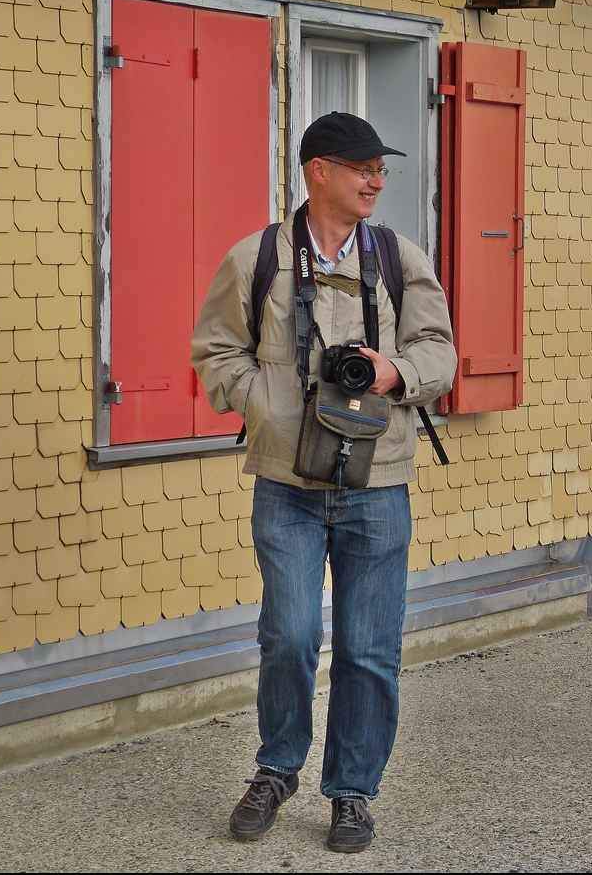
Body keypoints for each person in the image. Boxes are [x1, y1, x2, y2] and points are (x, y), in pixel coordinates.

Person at [192, 112, 456, 853]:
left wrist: (394, 370)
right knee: (290, 634)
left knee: (371, 646)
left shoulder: (401, 259)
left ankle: (351, 791)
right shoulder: (258, 259)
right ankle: (277, 768)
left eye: (381, 169)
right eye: (362, 167)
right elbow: (215, 353)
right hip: (286, 480)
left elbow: (442, 350)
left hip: (380, 481)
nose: (377, 180)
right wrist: (270, 407)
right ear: (318, 171)